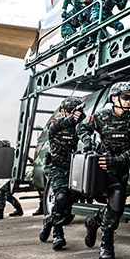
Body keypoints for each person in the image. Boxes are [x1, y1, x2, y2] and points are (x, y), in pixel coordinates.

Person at [77, 82, 130, 259]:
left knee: (117, 207)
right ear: (114, 98)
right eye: (126, 97)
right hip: (101, 169)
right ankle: (106, 242)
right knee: (115, 203)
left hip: (119, 168)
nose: (129, 101)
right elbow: (81, 127)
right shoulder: (102, 116)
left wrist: (115, 160)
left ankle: (94, 223)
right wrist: (87, 141)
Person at [39, 97, 85, 250]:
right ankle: (58, 234)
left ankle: (49, 220)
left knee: (67, 203)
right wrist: (72, 118)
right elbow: (58, 125)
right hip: (55, 167)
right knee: (60, 197)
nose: (73, 114)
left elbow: (85, 132)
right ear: (63, 111)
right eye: (70, 110)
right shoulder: (55, 124)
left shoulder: (78, 126)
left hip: (72, 167)